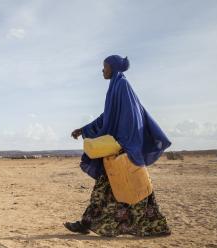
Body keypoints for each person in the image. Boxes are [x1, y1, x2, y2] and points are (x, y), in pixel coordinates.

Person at [64, 55, 171, 237]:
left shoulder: (122, 86)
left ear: (112, 68)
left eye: (105, 67)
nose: (102, 70)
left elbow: (131, 117)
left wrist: (124, 143)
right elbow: (108, 116)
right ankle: (86, 224)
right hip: (118, 149)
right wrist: (83, 129)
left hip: (124, 149)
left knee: (138, 190)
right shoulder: (116, 87)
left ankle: (156, 227)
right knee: (107, 190)